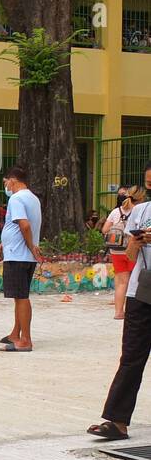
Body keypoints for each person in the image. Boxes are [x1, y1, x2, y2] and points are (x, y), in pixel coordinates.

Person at [90, 163, 151, 440]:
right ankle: (117, 421)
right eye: (149, 183)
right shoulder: (140, 212)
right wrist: (137, 243)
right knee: (131, 357)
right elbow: (128, 254)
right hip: (141, 292)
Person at [0, 166, 42, 352]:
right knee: (18, 296)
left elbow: (24, 225)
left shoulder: (16, 198)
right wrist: (1, 246)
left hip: (19, 255)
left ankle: (25, 340)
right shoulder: (32, 198)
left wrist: (30, 247)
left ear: (12, 180)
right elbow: (14, 229)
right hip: (21, 254)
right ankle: (16, 333)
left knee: (21, 297)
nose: (6, 187)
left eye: (6, 183)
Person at [104, 188, 136, 320]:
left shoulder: (114, 212)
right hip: (132, 250)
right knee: (133, 282)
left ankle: (118, 312)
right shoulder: (137, 211)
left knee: (121, 283)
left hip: (116, 251)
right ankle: (131, 311)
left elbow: (104, 229)